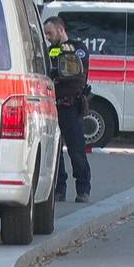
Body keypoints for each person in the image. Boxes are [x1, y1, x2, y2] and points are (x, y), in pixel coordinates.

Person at [43, 16, 91, 203]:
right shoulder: (50, 50)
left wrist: (55, 74)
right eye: (46, 34)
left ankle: (83, 189)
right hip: (52, 106)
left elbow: (73, 71)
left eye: (50, 33)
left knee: (76, 150)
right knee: (55, 152)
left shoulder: (78, 49)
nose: (48, 37)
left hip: (71, 106)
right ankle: (59, 189)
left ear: (61, 29)